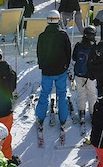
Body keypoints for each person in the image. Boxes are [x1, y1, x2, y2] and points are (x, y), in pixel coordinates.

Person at [35, 10, 71, 139]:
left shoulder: (43, 36)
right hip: (60, 70)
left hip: (47, 71)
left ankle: (40, 117)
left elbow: (39, 53)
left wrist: (42, 65)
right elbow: (68, 52)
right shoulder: (63, 35)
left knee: (44, 93)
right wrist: (66, 65)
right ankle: (63, 118)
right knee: (62, 94)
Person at [72, 27, 98, 127]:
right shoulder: (94, 47)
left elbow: (74, 58)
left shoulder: (78, 45)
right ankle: (92, 113)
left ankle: (81, 112)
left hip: (79, 74)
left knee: (81, 94)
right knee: (91, 95)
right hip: (90, 76)